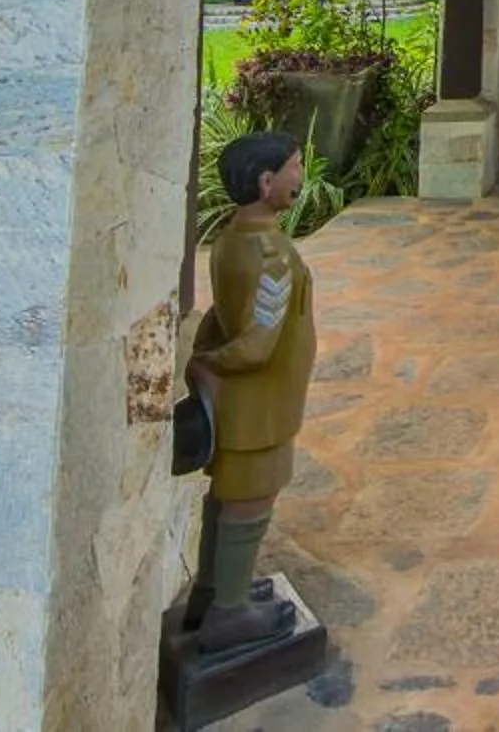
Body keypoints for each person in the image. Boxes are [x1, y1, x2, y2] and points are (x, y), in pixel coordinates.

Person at [184, 131, 319, 653]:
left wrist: (204, 354)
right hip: (260, 403)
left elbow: (220, 313)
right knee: (250, 501)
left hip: (247, 403)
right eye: (296, 167)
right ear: (267, 183)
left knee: (229, 497)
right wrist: (211, 362)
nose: (301, 177)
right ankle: (230, 613)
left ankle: (217, 588)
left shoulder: (229, 239)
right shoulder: (272, 255)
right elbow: (259, 343)